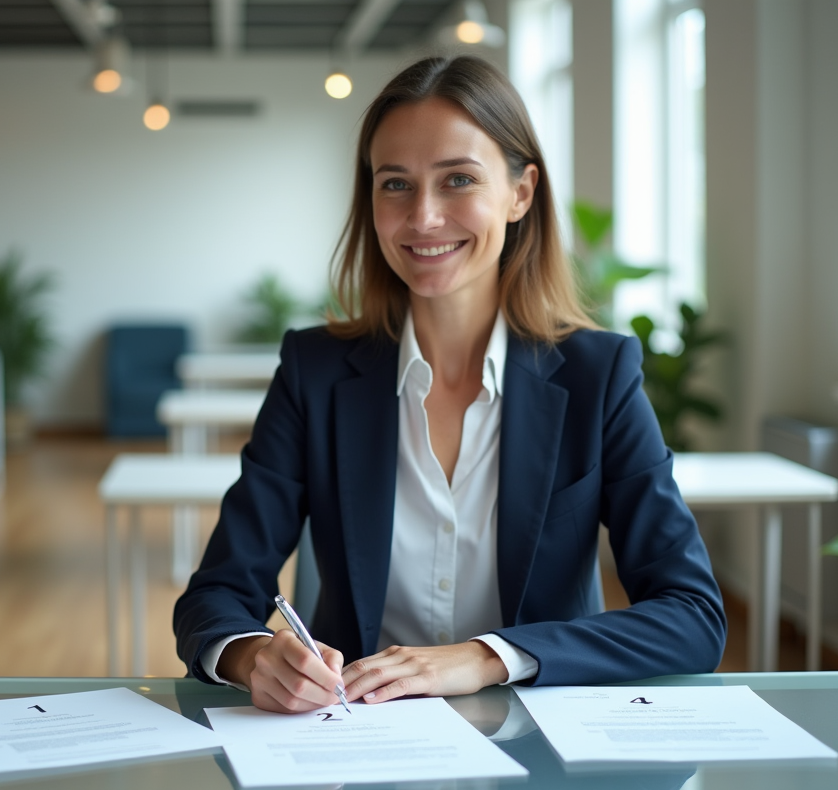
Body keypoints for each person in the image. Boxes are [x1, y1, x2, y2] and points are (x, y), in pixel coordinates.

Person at [174, 55, 726, 714]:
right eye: (396, 185)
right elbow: (216, 595)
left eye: (458, 179)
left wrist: (486, 656)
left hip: (540, 740)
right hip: (356, 740)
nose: (424, 218)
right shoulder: (314, 371)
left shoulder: (597, 376)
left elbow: (693, 615)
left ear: (521, 193)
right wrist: (252, 655)